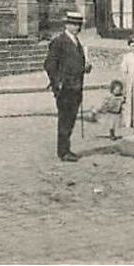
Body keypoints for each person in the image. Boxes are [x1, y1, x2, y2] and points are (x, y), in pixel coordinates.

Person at [43, 10, 91, 162]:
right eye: (73, 24)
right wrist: (58, 83)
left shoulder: (77, 42)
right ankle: (63, 152)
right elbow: (49, 64)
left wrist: (85, 67)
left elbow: (76, 63)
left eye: (78, 25)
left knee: (70, 119)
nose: (76, 27)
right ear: (67, 25)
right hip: (66, 89)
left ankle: (66, 149)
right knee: (65, 120)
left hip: (76, 87)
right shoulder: (59, 41)